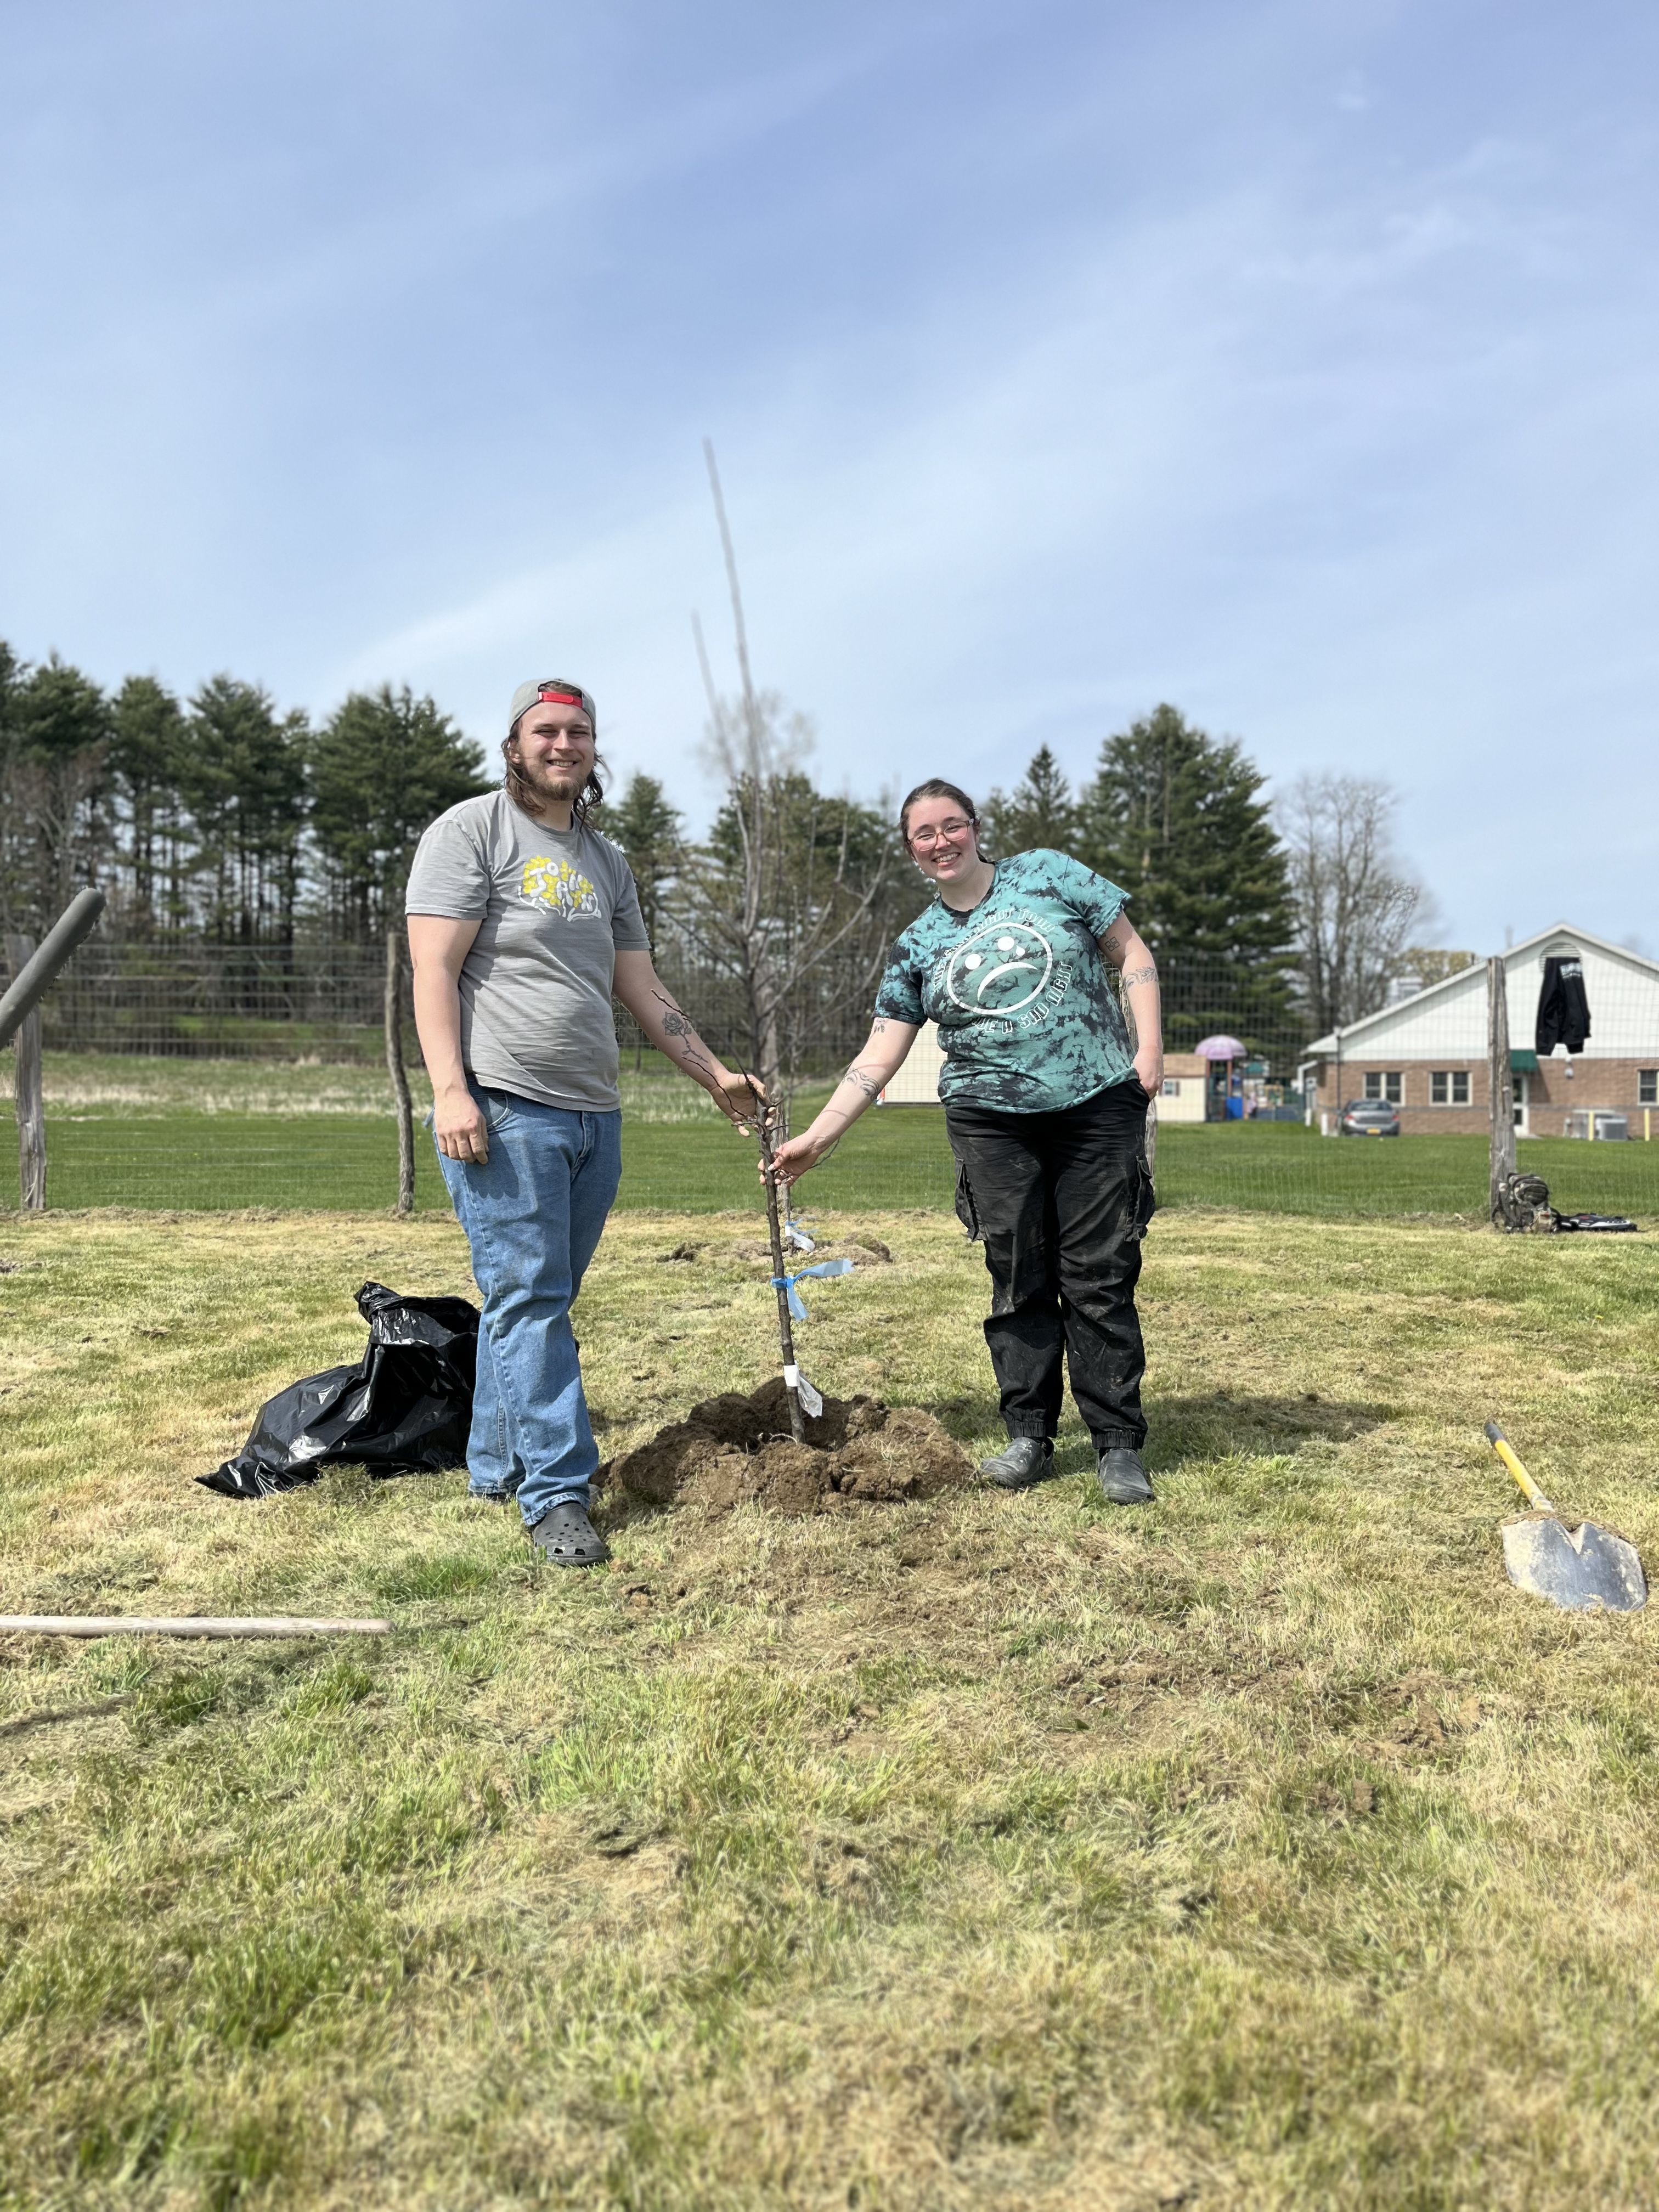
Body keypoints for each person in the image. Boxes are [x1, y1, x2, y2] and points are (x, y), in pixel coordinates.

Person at [406, 676, 755, 1567]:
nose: (566, 745)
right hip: (506, 1104)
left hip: (595, 1113)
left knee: (531, 1299)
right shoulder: (470, 832)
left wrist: (714, 1073)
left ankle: (492, 1465)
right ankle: (558, 1493)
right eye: (548, 730)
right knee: (534, 1298)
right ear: (515, 743)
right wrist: (450, 1089)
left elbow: (640, 987)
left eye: (581, 732)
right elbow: (434, 972)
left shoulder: (606, 862)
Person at [769, 778, 1163, 1505]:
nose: (942, 841)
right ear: (911, 851)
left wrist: (1149, 1052)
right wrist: (817, 1141)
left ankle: (1116, 1445)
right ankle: (1029, 1437)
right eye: (925, 833)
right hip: (990, 1120)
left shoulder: (1046, 873)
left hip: (1095, 1106)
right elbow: (878, 1053)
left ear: (976, 828)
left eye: (952, 825)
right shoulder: (919, 944)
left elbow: (1131, 952)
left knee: (1099, 1277)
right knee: (1018, 1277)